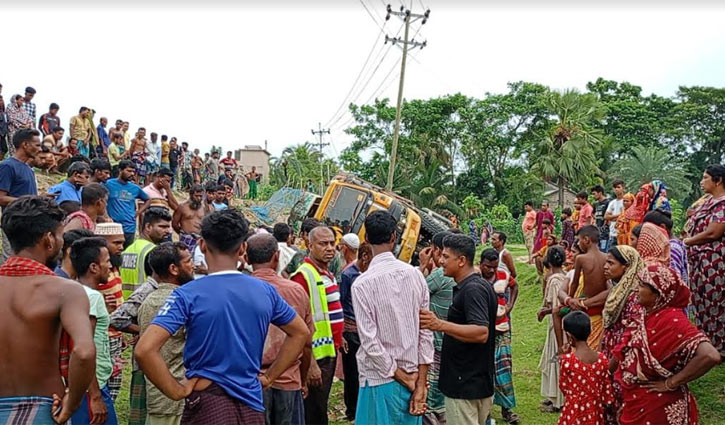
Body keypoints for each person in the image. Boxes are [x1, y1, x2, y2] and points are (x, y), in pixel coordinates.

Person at [136, 209, 309, 424]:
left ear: (202, 245)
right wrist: (269, 377)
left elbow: (144, 350)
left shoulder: (186, 295)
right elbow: (300, 333)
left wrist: (176, 391)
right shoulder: (265, 291)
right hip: (251, 402)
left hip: (205, 401)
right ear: (243, 248)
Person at [0, 196, 96, 425]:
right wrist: (72, 403)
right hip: (41, 409)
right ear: (49, 240)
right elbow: (84, 352)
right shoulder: (65, 291)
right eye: (61, 235)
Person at [350, 211, 433, 424]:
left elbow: (369, 341)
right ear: (394, 237)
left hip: (380, 378)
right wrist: (420, 382)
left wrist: (402, 376)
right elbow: (426, 332)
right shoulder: (416, 275)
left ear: (366, 239)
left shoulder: (362, 284)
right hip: (412, 376)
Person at [612, 264, 721, 425]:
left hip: (659, 405)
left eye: (642, 285)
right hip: (636, 399)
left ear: (658, 293)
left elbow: (710, 355)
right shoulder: (645, 314)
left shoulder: (673, 321)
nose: (636, 289)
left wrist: (671, 383)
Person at [420, 235, 497, 425]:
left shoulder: (473, 290)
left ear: (461, 260)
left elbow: (481, 332)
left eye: (446, 257)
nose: (440, 261)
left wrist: (439, 324)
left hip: (465, 385)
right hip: (474, 381)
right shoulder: (477, 286)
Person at [246, 233, 315, 425]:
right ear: (277, 256)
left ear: (246, 257)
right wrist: (303, 379)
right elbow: (306, 343)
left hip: (250, 383)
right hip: (289, 379)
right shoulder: (295, 291)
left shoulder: (239, 292)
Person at [289, 226, 344, 425]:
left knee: (320, 406)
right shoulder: (304, 276)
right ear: (309, 245)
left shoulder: (326, 273)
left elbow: (327, 312)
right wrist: (310, 364)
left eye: (332, 243)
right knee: (314, 411)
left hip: (328, 350)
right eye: (323, 244)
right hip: (316, 356)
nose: (330, 248)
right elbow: (299, 323)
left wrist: (341, 335)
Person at [137, 242, 195, 425]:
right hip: (178, 394)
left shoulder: (148, 300)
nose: (193, 265)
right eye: (188, 261)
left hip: (157, 394)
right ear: (173, 269)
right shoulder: (182, 302)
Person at [69, 237, 119, 425]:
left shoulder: (73, 291)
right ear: (93, 267)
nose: (111, 266)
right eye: (107, 261)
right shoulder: (91, 297)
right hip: (91, 386)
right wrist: (96, 396)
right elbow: (83, 347)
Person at [597, 245, 645, 420]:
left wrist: (611, 363)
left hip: (622, 358)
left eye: (611, 263)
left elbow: (630, 334)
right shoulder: (618, 290)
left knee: (618, 402)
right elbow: (608, 325)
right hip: (610, 353)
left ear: (627, 266)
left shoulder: (635, 297)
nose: (605, 267)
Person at [684, 164, 725, 359]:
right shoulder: (708, 201)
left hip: (715, 262)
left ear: (718, 181)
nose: (702, 182)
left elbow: (714, 232)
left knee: (716, 300)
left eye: (705, 178)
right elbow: (690, 216)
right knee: (701, 300)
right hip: (700, 261)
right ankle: (704, 343)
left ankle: (719, 346)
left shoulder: (723, 204)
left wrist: (687, 241)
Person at [479, 246, 520, 424]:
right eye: (488, 266)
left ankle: (507, 409)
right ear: (481, 264)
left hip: (502, 330)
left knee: (504, 368)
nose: (492, 270)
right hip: (482, 333)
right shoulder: (475, 278)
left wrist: (510, 306)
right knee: (484, 371)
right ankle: (485, 411)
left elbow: (515, 286)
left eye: (495, 267)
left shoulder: (503, 275)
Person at [558, 311, 613, 425]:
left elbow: (564, 387)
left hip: (573, 412)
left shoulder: (567, 361)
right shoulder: (602, 359)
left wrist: (565, 354)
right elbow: (606, 391)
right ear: (590, 331)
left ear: (569, 336)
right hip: (595, 411)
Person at [338, 242, 372, 421]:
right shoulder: (348, 275)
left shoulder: (368, 274)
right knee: (351, 373)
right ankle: (352, 410)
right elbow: (341, 303)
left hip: (365, 329)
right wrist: (342, 332)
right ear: (365, 257)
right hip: (351, 330)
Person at [95, 222, 127, 400]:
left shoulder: (114, 268)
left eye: (122, 242)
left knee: (115, 383)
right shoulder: (97, 272)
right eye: (116, 243)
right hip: (104, 335)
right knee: (106, 383)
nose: (121, 247)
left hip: (115, 334)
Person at [0, 128, 41, 263]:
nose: (39, 149)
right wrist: (28, 201)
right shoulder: (7, 166)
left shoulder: (28, 169)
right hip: (14, 223)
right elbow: (1, 198)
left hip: (29, 223)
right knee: (11, 261)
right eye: (37, 145)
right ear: (25, 145)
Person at [566, 225, 608, 350]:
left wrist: (571, 299)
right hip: (600, 308)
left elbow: (574, 283)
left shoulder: (581, 258)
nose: (578, 243)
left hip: (584, 308)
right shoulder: (606, 257)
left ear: (586, 240)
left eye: (579, 240)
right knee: (594, 348)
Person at [537, 246, 567, 414]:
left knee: (556, 357)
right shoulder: (564, 276)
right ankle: (552, 395)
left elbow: (557, 308)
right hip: (558, 323)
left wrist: (544, 311)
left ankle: (558, 401)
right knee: (552, 358)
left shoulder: (555, 280)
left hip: (557, 326)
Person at [121, 207, 172, 299]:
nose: (168, 231)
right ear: (148, 227)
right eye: (162, 227)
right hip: (144, 304)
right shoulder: (154, 252)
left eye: (168, 227)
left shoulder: (128, 250)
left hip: (127, 305)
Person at [106, 159, 152, 247]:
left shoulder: (135, 188)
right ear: (120, 170)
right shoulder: (108, 184)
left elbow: (148, 200)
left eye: (133, 172)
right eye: (129, 171)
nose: (132, 174)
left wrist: (138, 212)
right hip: (113, 226)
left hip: (129, 227)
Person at [643, 209, 687, 280]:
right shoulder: (672, 244)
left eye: (649, 230)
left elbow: (673, 280)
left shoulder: (672, 249)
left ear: (663, 227)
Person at [172, 184, 206, 254]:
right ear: (191, 195)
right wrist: (182, 233)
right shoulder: (182, 207)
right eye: (196, 196)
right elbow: (174, 223)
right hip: (185, 238)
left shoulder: (204, 208)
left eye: (201, 196)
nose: (199, 198)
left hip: (199, 238)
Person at [604, 179, 625, 250]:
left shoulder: (626, 201)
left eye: (618, 187)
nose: (616, 189)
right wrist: (620, 215)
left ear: (623, 188)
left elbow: (626, 216)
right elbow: (606, 217)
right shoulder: (612, 203)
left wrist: (612, 218)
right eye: (615, 187)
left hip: (622, 234)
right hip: (612, 233)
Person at [591, 185, 611, 252]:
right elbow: (592, 213)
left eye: (594, 194)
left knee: (604, 249)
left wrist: (605, 224)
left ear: (600, 193)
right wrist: (595, 220)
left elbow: (609, 215)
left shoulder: (608, 202)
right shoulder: (595, 204)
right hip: (597, 229)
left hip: (605, 230)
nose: (593, 196)